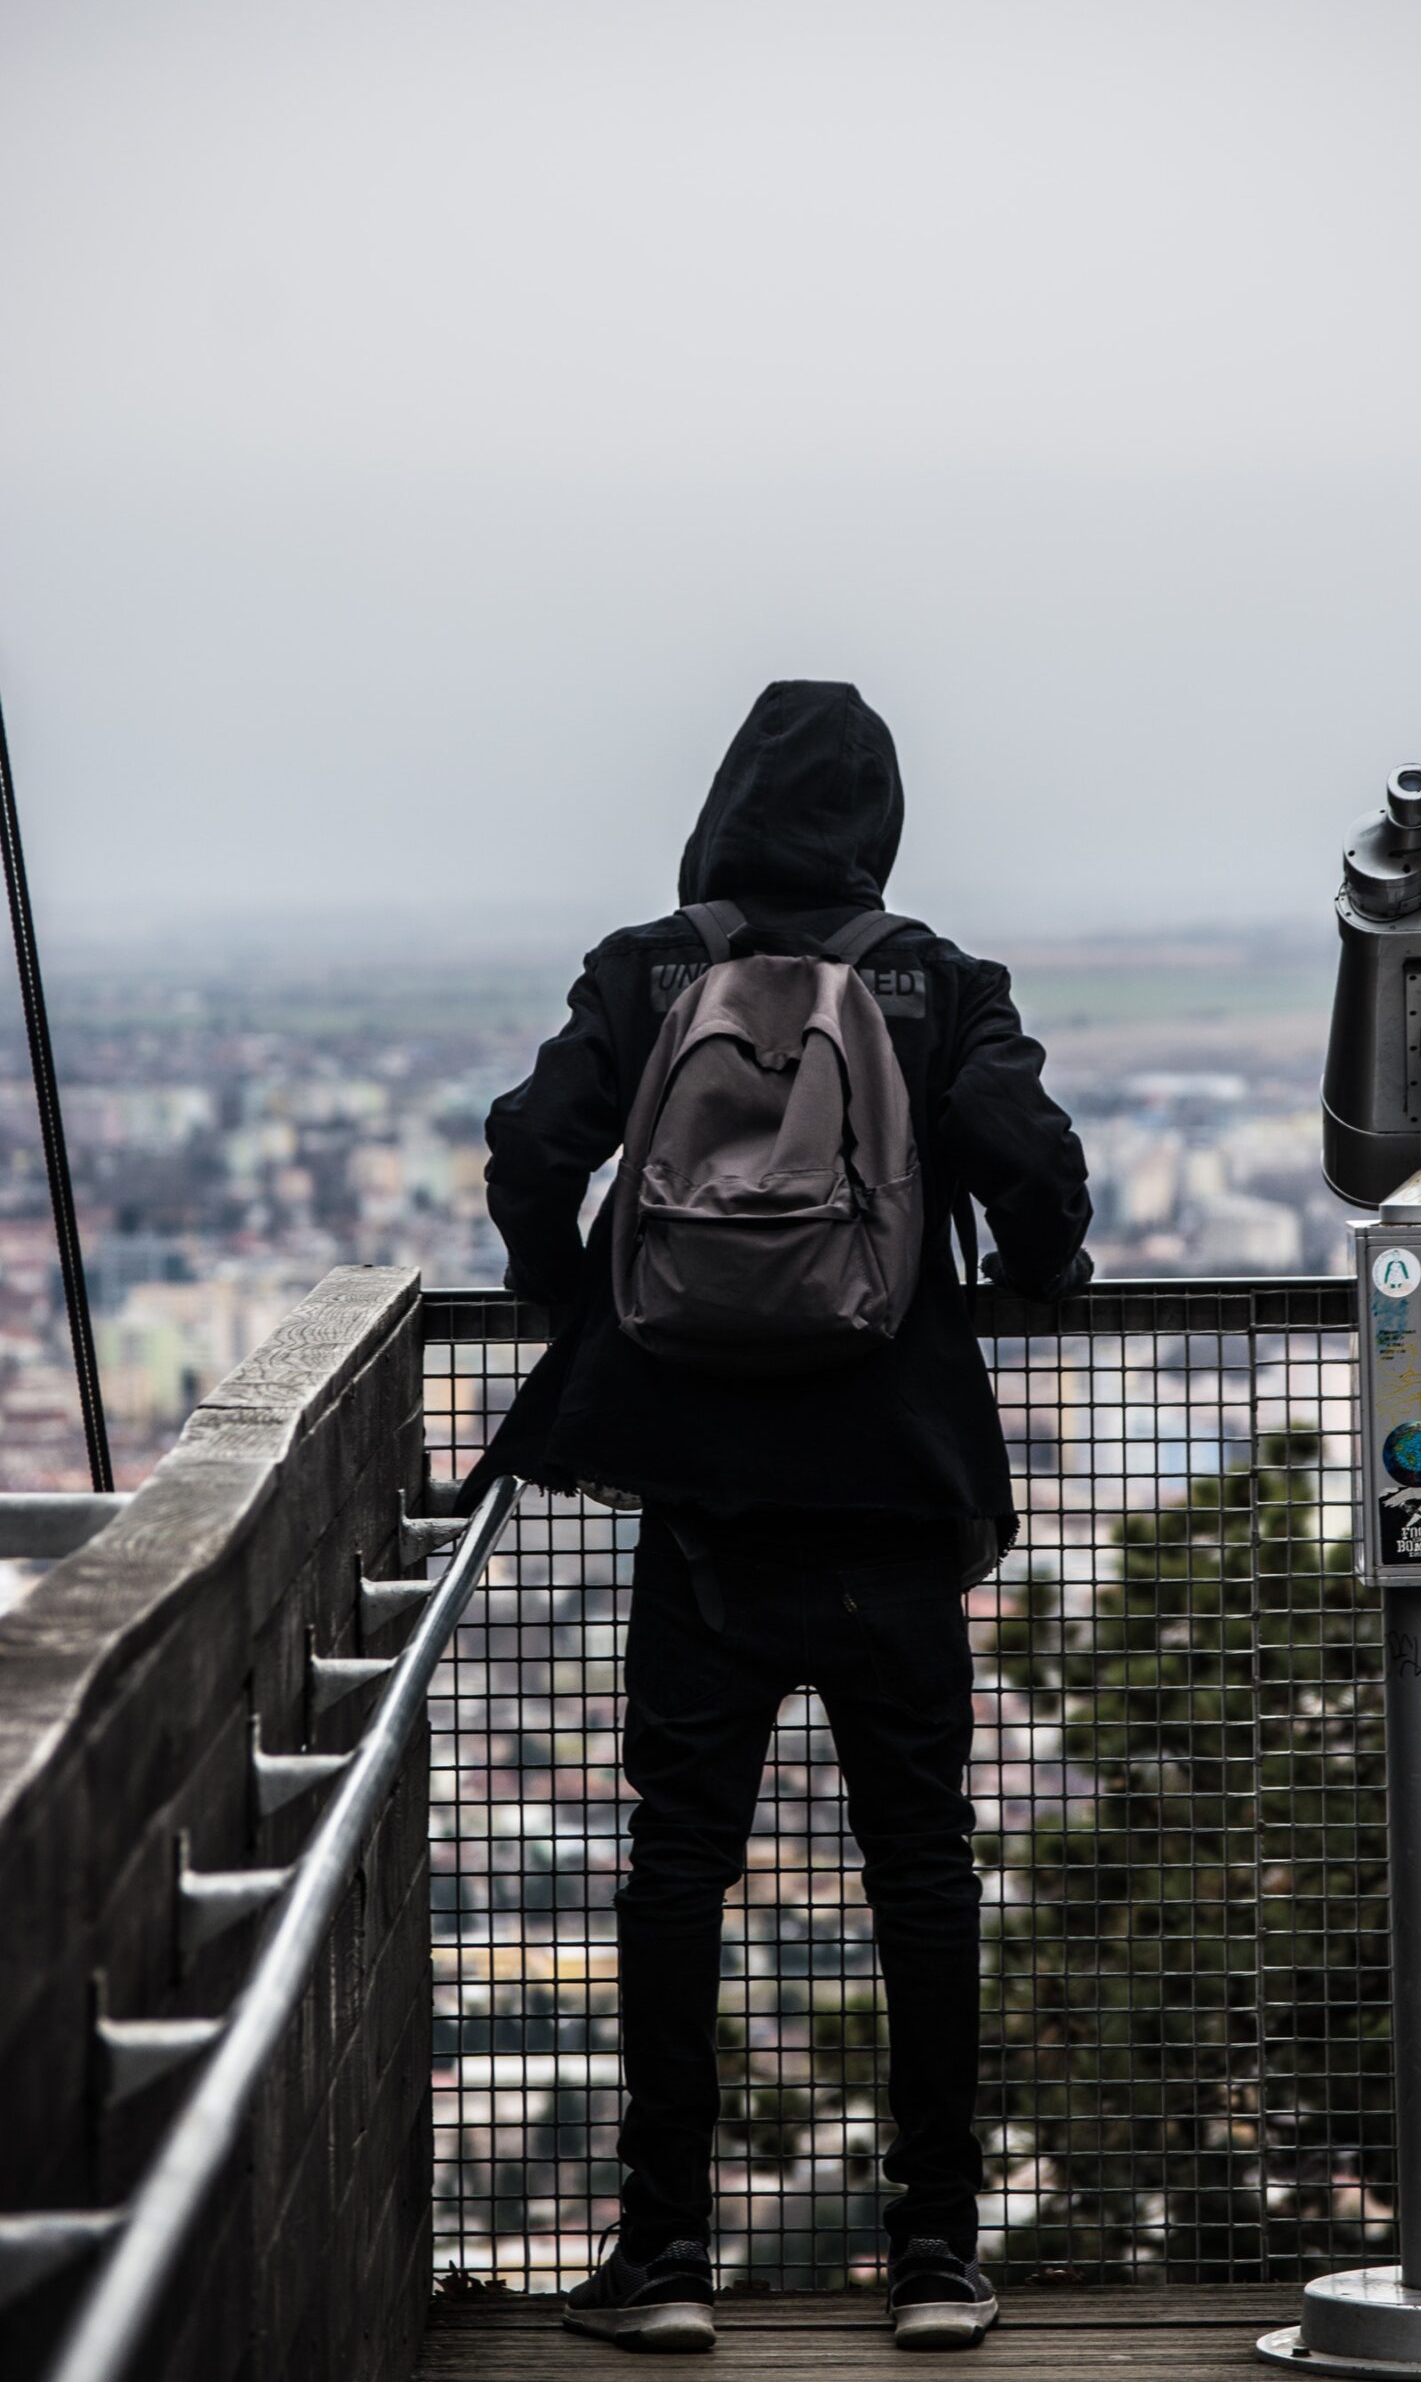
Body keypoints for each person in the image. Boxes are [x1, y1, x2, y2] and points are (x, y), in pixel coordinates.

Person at [476, 680, 1091, 2350]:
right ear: (880, 812)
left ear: (727, 798)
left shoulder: (648, 967)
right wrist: (1037, 1271)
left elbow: (532, 1150)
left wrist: (575, 1294)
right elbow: (1026, 1164)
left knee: (678, 1864)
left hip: (698, 1501)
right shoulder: (932, 976)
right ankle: (940, 2257)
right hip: (895, 1492)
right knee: (922, 1872)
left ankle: (664, 2255)